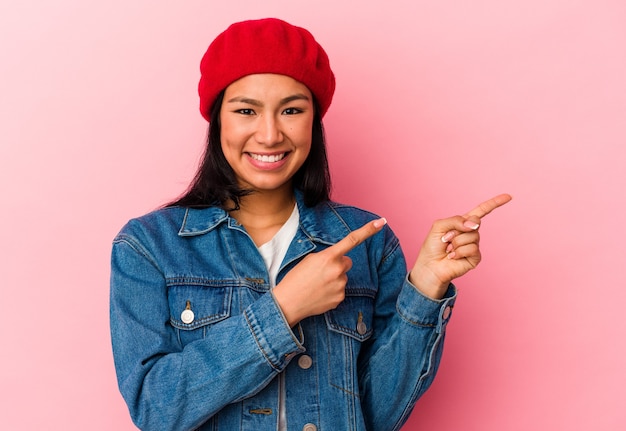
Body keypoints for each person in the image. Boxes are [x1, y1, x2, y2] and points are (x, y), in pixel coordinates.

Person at [110, 17, 511, 431]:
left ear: (313, 120)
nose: (269, 134)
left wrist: (426, 287)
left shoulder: (368, 242)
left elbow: (377, 414)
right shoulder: (148, 246)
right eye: (246, 110)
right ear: (218, 120)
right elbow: (155, 410)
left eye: (291, 110)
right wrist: (284, 309)